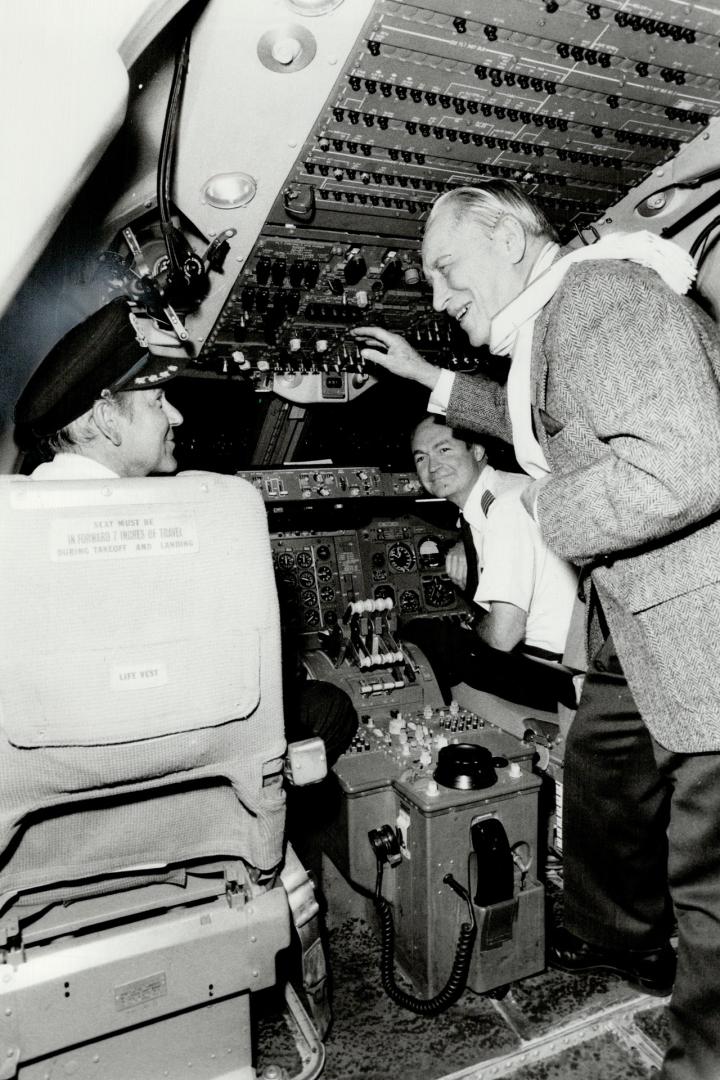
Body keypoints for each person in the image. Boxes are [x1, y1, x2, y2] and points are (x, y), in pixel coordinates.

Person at [352, 180, 720, 1080]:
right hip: (642, 619)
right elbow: (539, 413)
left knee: (710, 872)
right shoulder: (557, 324)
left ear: (510, 238)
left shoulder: (600, 296)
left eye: (447, 268)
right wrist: (426, 377)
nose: (439, 297)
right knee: (601, 771)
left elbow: (686, 465)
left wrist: (540, 512)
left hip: (701, 624)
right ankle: (622, 933)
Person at [14, 297, 357, 768]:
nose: (175, 416)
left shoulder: (13, 526)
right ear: (106, 419)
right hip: (185, 768)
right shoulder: (196, 522)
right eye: (157, 400)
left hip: (63, 787)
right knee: (329, 708)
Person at [404, 414, 578, 711]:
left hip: (555, 675)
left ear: (478, 450)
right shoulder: (505, 490)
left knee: (419, 633)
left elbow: (502, 636)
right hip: (569, 659)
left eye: (444, 450)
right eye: (421, 458)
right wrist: (462, 543)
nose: (432, 468)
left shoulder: (506, 510)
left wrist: (472, 627)